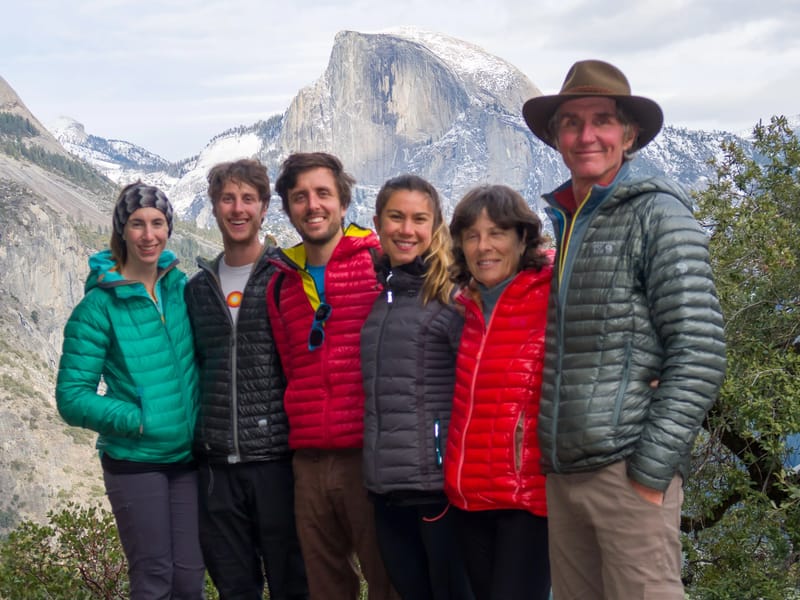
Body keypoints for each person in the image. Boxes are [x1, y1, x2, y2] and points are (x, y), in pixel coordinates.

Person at [522, 59, 727, 598]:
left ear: (628, 134)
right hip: (566, 474)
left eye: (602, 120)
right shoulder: (571, 221)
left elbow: (700, 351)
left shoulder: (657, 214)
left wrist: (651, 470)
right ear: (555, 136)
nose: (586, 135)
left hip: (626, 474)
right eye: (570, 122)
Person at [56, 182, 204, 599]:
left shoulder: (180, 290)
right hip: (136, 462)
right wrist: (139, 420)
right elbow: (71, 397)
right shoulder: (98, 307)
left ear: (169, 229)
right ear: (122, 230)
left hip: (188, 459)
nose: (148, 234)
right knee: (154, 579)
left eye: (157, 223)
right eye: (137, 224)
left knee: (190, 578)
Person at [266, 152, 398, 600]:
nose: (312, 205)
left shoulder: (379, 264)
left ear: (343, 202)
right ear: (288, 208)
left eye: (323, 193)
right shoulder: (281, 282)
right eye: (299, 197)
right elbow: (290, 368)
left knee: (388, 580)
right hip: (308, 462)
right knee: (324, 587)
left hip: (369, 455)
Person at [184, 159, 308, 600]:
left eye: (248, 199)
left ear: (263, 208)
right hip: (216, 465)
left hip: (276, 461)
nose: (238, 209)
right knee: (235, 588)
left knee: (294, 584)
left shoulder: (287, 279)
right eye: (228, 199)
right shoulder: (196, 289)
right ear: (214, 207)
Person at [360, 174, 474, 600]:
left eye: (418, 219)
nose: (406, 230)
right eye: (396, 217)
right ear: (377, 222)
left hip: (437, 490)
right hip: (386, 490)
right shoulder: (382, 300)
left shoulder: (453, 298)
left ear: (435, 226)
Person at [443, 184, 552, 600]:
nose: (483, 246)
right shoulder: (467, 306)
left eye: (497, 233)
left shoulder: (550, 294)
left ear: (522, 238)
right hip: (468, 495)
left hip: (525, 499)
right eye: (472, 235)